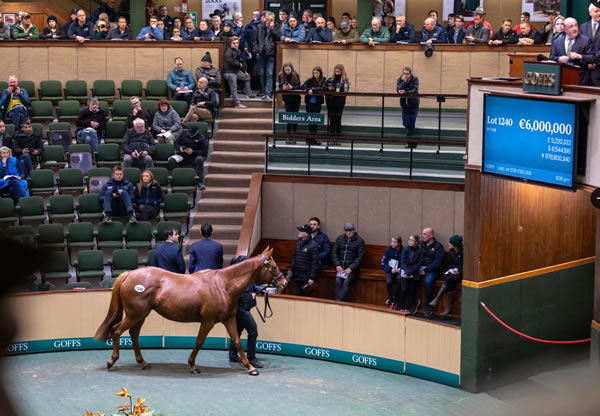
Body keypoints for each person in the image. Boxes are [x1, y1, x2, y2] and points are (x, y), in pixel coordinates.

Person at [227, 255, 264, 368]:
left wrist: (261, 289)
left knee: (237, 331)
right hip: (241, 309)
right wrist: (250, 295)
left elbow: (252, 288)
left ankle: (233, 355)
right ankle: (251, 358)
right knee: (253, 331)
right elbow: (240, 295)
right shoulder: (238, 278)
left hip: (242, 308)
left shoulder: (245, 276)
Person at [550, 18, 595, 85]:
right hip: (562, 79)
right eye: (571, 26)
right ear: (564, 29)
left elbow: (592, 58)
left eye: (576, 25)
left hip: (580, 79)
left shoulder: (585, 40)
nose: (574, 28)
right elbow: (552, 57)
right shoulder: (557, 42)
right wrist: (559, 59)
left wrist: (579, 56)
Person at [429, 235, 463, 318]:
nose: (448, 244)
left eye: (450, 242)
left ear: (455, 244)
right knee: (449, 280)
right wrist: (449, 271)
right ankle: (447, 308)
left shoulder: (464, 252)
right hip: (453, 274)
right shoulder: (451, 251)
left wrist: (459, 272)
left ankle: (437, 299)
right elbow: (450, 264)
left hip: (462, 274)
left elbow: (467, 266)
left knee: (449, 280)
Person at [332, 223, 366, 302]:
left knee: (346, 282)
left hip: (353, 269)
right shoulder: (339, 238)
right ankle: (338, 302)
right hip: (341, 268)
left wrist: (351, 268)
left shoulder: (360, 241)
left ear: (354, 230)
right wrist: (337, 265)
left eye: (350, 230)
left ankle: (338, 302)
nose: (348, 233)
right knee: (338, 281)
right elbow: (334, 252)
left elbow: (360, 257)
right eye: (346, 231)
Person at [168, 124, 208, 190]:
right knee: (171, 160)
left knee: (200, 159)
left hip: (194, 156)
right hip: (182, 155)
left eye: (192, 134)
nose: (190, 135)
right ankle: (179, 179)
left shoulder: (202, 138)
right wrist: (179, 148)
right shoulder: (183, 133)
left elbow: (204, 152)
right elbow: (176, 143)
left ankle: (199, 181)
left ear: (197, 132)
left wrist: (193, 152)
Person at [287, 224, 320, 296]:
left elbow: (315, 263)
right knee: (296, 296)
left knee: (307, 298)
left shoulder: (313, 245)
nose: (299, 232)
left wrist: (311, 278)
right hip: (297, 276)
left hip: (306, 278)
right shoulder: (298, 242)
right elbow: (295, 257)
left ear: (306, 233)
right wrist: (292, 269)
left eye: (301, 231)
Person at [254, 12, 281, 101]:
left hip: (271, 54)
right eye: (269, 20)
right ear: (265, 19)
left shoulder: (277, 26)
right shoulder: (260, 26)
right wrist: (256, 50)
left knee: (269, 74)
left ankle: (268, 93)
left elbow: (278, 38)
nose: (270, 21)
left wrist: (272, 29)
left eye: (272, 20)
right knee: (261, 74)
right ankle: (263, 91)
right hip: (260, 53)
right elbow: (255, 40)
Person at [419, 227, 444, 318]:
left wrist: (425, 270)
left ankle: (428, 307)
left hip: (431, 270)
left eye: (425, 234)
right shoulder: (421, 244)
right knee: (408, 277)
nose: (423, 236)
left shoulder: (438, 246)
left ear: (431, 235)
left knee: (428, 282)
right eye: (422, 234)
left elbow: (437, 263)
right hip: (419, 269)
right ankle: (412, 303)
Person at [224, 36, 253, 109]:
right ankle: (237, 104)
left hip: (236, 71)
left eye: (237, 43)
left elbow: (242, 62)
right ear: (230, 43)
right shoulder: (228, 51)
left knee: (247, 77)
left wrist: (245, 71)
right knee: (234, 88)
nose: (236, 44)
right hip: (229, 72)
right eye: (234, 43)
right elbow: (230, 62)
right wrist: (238, 64)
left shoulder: (238, 51)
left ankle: (247, 92)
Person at [399, 234, 423, 313]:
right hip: (405, 271)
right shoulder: (405, 249)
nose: (409, 241)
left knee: (411, 290)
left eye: (412, 240)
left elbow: (418, 264)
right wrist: (407, 272)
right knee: (404, 289)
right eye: (409, 239)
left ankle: (408, 307)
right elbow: (402, 262)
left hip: (414, 272)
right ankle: (401, 306)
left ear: (416, 242)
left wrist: (410, 273)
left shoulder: (420, 251)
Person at [277, 63, 302, 136]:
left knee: (295, 116)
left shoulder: (296, 75)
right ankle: (288, 134)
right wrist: (283, 88)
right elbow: (278, 86)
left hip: (296, 98)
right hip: (287, 99)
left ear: (291, 69)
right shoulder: (280, 75)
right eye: (285, 70)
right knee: (288, 116)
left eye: (288, 69)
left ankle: (294, 132)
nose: (287, 71)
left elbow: (299, 86)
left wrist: (292, 87)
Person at [302, 66, 327, 136]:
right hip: (309, 102)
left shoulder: (323, 80)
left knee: (316, 118)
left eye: (317, 73)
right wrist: (308, 89)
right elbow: (303, 86)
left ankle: (314, 134)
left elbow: (323, 88)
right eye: (314, 73)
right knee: (309, 118)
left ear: (320, 73)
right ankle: (311, 134)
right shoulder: (310, 80)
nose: (315, 74)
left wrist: (313, 89)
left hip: (317, 102)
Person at [325, 64, 350, 135]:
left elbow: (344, 91)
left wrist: (334, 88)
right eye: (336, 71)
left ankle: (338, 137)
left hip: (339, 103)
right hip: (330, 102)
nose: (337, 73)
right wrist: (329, 88)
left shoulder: (345, 81)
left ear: (342, 72)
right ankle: (332, 137)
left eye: (338, 71)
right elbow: (325, 87)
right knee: (331, 120)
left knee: (338, 119)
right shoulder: (330, 79)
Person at [397, 67, 419, 141]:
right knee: (406, 123)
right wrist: (404, 82)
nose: (405, 75)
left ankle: (409, 140)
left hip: (414, 104)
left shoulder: (415, 79)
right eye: (404, 73)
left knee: (412, 122)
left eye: (407, 74)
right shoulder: (400, 79)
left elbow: (414, 89)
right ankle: (410, 134)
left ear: (410, 74)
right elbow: (398, 89)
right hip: (404, 104)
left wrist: (405, 91)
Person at [381, 236, 403, 309]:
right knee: (389, 282)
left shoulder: (403, 251)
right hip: (390, 270)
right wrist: (390, 269)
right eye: (392, 241)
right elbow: (383, 263)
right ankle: (391, 299)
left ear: (399, 243)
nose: (392, 243)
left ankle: (395, 298)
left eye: (394, 242)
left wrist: (400, 269)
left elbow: (405, 262)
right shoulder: (388, 250)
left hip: (399, 271)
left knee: (399, 280)